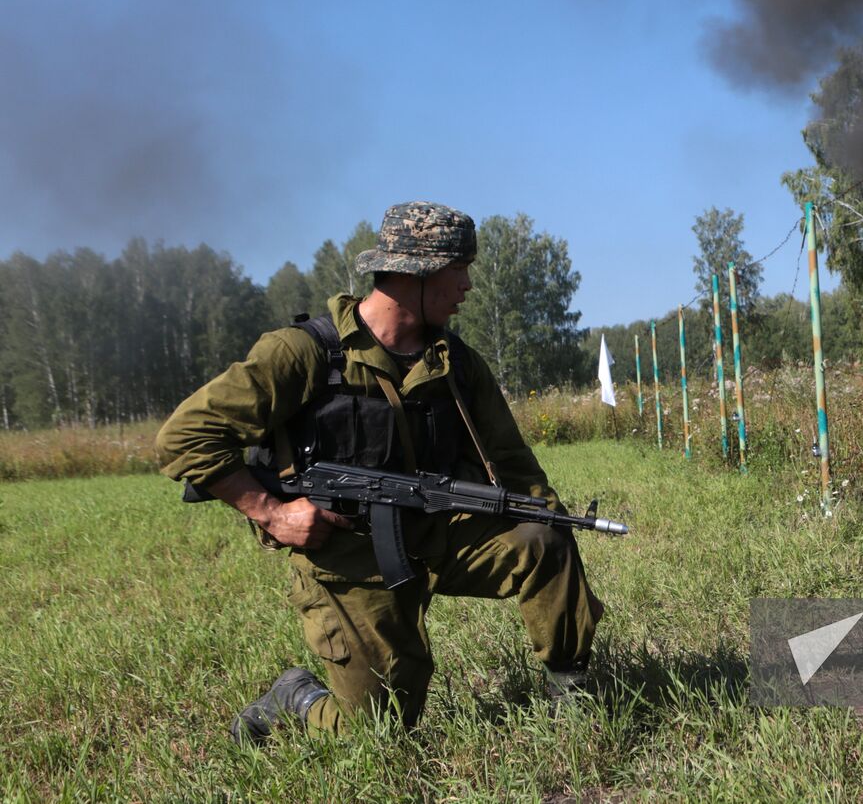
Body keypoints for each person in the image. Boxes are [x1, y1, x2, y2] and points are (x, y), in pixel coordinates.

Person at [156, 201, 604, 743]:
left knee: (544, 539)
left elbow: (513, 465)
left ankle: (573, 700)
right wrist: (270, 512)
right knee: (379, 733)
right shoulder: (303, 354)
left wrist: (553, 517)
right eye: (456, 270)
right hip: (349, 558)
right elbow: (183, 438)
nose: (466, 285)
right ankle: (296, 697)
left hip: (444, 532)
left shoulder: (457, 364)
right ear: (412, 273)